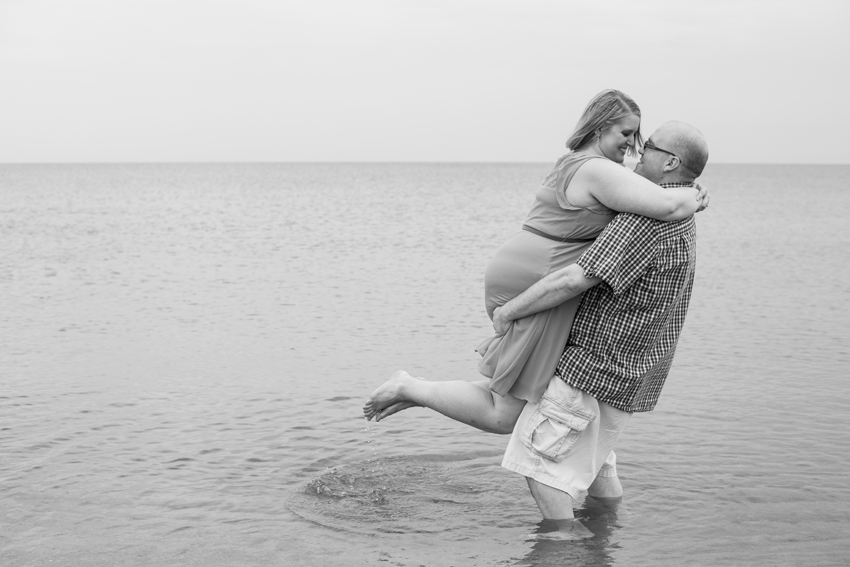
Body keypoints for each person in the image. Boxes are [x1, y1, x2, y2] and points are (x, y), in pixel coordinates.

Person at [363, 90, 707, 434]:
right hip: (539, 280)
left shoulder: (579, 162)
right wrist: (693, 194)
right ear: (600, 128)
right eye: (627, 133)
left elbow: (653, 189)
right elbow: (668, 206)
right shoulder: (600, 171)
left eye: (638, 136)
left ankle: (418, 390)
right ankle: (411, 387)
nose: (634, 145)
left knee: (522, 392)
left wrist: (684, 189)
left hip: (525, 271)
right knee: (504, 414)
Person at [489, 120, 709, 536]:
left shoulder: (645, 218)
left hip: (592, 372)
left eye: (650, 147)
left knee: (541, 470)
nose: (638, 152)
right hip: (630, 374)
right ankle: (608, 541)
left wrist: (509, 312)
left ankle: (568, 553)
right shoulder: (683, 211)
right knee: (597, 472)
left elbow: (575, 278)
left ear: (671, 161)